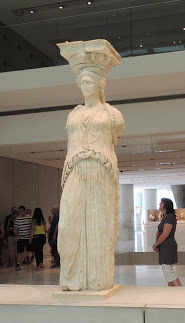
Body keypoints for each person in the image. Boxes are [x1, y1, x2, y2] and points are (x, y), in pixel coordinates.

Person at [57, 40, 125, 291]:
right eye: (81, 83)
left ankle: (97, 278)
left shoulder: (112, 115)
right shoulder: (73, 115)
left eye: (89, 82)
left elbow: (114, 139)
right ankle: (72, 277)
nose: (84, 87)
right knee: (67, 226)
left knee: (99, 224)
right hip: (75, 170)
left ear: (99, 85)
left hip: (100, 170)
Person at [153, 198, 181, 287]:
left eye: (161, 202)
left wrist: (156, 244)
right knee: (168, 270)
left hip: (168, 245)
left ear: (166, 205)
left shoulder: (170, 217)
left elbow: (165, 233)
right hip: (165, 245)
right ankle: (171, 293)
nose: (159, 204)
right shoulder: (165, 217)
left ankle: (181, 293)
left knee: (168, 271)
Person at [14, 205, 33, 271]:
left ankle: (32, 261)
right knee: (19, 251)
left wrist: (31, 236)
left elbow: (32, 228)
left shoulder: (30, 218)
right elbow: (16, 229)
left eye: (21, 211)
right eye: (19, 211)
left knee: (30, 250)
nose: (20, 213)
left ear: (25, 211)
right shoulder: (17, 219)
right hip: (21, 237)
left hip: (28, 237)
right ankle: (18, 263)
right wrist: (16, 236)